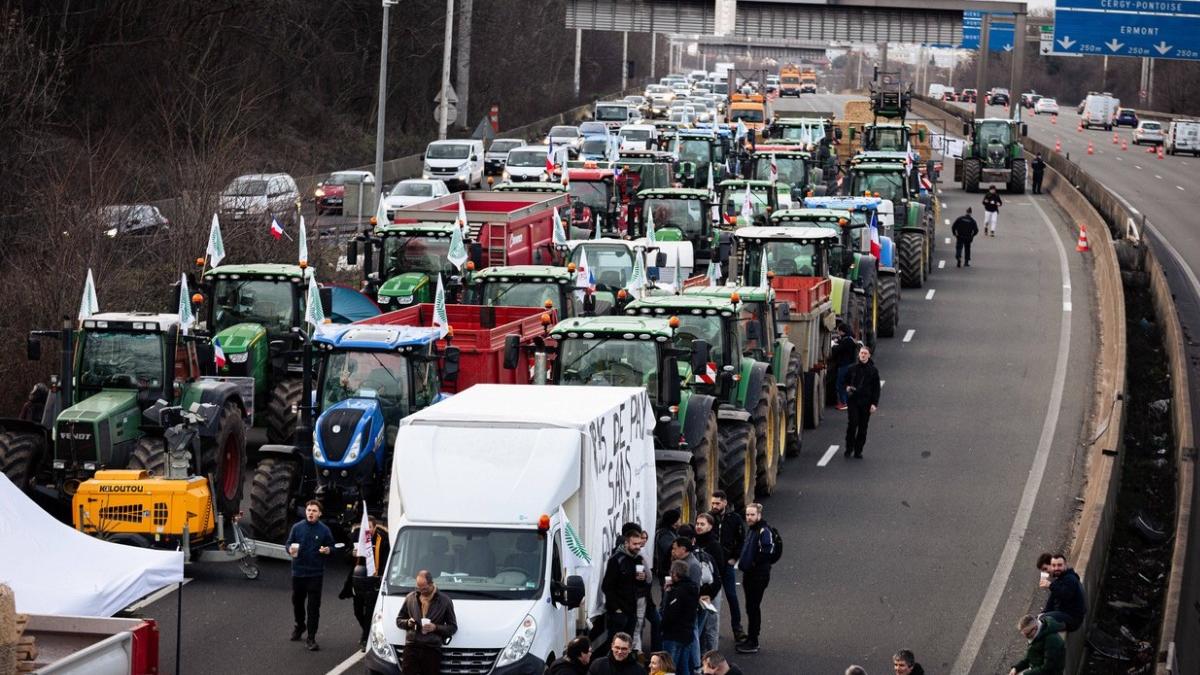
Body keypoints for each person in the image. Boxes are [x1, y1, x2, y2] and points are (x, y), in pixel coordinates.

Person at [284, 500, 335, 651]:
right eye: (308, 510)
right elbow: (288, 544)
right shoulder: (297, 527)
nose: (311, 513)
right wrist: (289, 550)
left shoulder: (324, 530)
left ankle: (311, 638)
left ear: (320, 513)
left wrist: (328, 550)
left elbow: (332, 547)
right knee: (297, 603)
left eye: (314, 510)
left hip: (315, 574)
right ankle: (300, 626)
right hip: (298, 573)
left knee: (313, 607)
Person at [339, 516, 390, 651]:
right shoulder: (355, 538)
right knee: (357, 610)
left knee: (370, 611)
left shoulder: (383, 540)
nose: (366, 531)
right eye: (364, 529)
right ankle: (367, 630)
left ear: (374, 528)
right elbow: (344, 558)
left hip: (374, 580)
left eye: (369, 528)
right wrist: (352, 554)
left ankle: (365, 637)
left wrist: (381, 577)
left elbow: (386, 561)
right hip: (358, 580)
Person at [396, 569, 458, 674]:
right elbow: (399, 621)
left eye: (424, 589)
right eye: (418, 588)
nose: (421, 591)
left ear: (431, 584)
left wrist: (436, 627)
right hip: (412, 647)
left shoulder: (445, 601)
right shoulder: (410, 598)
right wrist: (408, 623)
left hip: (432, 648)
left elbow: (453, 627)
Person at [602, 526, 650, 655]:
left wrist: (642, 579)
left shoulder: (638, 559)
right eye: (634, 544)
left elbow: (642, 585)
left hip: (631, 611)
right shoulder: (616, 560)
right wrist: (616, 609)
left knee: (627, 646)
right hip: (618, 613)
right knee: (615, 646)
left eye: (639, 544)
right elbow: (607, 586)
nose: (638, 547)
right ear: (626, 543)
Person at [735, 503, 774, 654]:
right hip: (750, 575)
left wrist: (752, 564)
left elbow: (767, 551)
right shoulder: (752, 530)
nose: (749, 518)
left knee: (753, 607)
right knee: (750, 607)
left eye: (752, 515)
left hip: (758, 576)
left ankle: (753, 641)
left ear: (759, 515)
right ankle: (751, 638)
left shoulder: (764, 531)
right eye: (747, 515)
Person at [709, 492, 746, 642]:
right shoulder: (708, 518)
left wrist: (734, 558)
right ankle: (711, 630)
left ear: (725, 502)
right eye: (713, 503)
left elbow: (742, 540)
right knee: (710, 600)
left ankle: (737, 629)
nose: (714, 506)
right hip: (712, 567)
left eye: (717, 503)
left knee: (731, 596)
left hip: (727, 565)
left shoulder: (734, 519)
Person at [662, 560, 700, 675]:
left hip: (673, 635)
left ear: (675, 574)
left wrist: (668, 594)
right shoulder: (692, 588)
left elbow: (670, 613)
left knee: (668, 669)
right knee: (684, 667)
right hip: (687, 634)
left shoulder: (677, 592)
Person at [694, 514, 725, 654]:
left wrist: (709, 594)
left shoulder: (714, 546)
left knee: (711, 623)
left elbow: (719, 573)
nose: (699, 527)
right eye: (698, 524)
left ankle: (712, 655)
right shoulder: (695, 542)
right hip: (699, 592)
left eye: (702, 524)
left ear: (710, 526)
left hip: (712, 591)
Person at [844, 345, 882, 459]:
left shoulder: (873, 371)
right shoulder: (852, 369)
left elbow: (876, 389)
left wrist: (874, 404)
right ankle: (849, 448)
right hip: (853, 401)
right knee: (852, 423)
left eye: (865, 353)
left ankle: (858, 450)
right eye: (861, 353)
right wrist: (847, 388)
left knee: (863, 427)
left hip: (866, 402)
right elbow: (845, 382)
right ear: (858, 354)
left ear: (869, 355)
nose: (863, 355)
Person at [1041, 553, 1087, 632]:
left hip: (1072, 619)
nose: (1056, 568)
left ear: (1065, 565)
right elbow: (1052, 600)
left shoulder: (1070, 579)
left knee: (1042, 621)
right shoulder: (1059, 580)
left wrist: (1050, 585)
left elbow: (1066, 594)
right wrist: (1044, 612)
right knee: (1038, 618)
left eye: (1059, 565)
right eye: (1054, 565)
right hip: (1064, 613)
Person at [832, 322, 859, 410]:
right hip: (849, 365)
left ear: (842, 332)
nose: (838, 333)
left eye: (838, 331)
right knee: (847, 384)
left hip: (844, 365)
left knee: (840, 384)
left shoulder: (847, 341)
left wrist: (833, 346)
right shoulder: (850, 339)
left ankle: (844, 402)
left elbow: (838, 349)